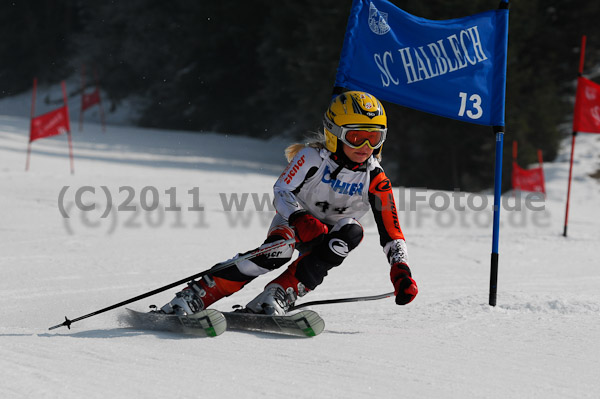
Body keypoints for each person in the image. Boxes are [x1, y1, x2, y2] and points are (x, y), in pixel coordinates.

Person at [159, 90, 418, 316]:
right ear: (335, 134)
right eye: (356, 137)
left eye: (374, 138)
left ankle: (280, 293)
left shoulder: (375, 178)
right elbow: (282, 190)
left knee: (352, 232)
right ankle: (199, 293)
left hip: (326, 236)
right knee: (279, 250)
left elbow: (392, 233)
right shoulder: (312, 158)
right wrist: (299, 218)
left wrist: (401, 269)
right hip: (293, 222)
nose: (365, 146)